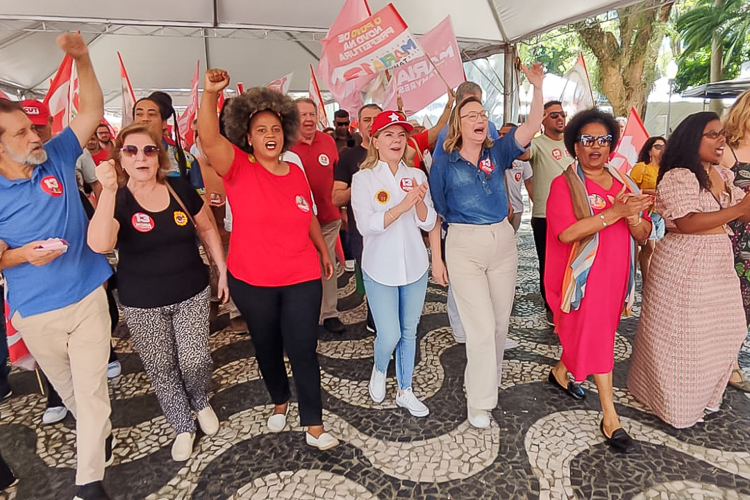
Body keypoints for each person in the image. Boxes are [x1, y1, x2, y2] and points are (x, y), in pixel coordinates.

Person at [198, 70, 339, 451]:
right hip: (253, 279)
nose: (270, 135)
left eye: (275, 128)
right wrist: (211, 93)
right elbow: (208, 137)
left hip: (301, 275)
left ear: (285, 131)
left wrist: (324, 251)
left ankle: (314, 423)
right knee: (266, 345)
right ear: (247, 136)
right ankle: (279, 398)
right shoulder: (238, 168)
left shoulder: (294, 171)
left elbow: (306, 212)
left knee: (303, 347)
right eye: (261, 130)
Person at [0, 33, 115, 500]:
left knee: (90, 394)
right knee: (70, 392)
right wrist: (23, 255)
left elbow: (90, 109)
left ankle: (88, 485)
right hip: (35, 311)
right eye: (21, 133)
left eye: (35, 128)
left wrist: (83, 58)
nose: (35, 136)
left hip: (88, 293)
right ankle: (97, 431)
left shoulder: (59, 155)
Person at [87, 122, 227, 461]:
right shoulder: (116, 198)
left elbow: (206, 226)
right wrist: (106, 191)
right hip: (142, 302)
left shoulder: (179, 187)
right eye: (131, 150)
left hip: (191, 291)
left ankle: (200, 399)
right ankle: (182, 424)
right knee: (162, 367)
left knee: (195, 360)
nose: (141, 157)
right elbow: (101, 243)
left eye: (149, 149)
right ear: (120, 158)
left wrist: (222, 269)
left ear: (159, 155)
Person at [428, 62, 545, 428]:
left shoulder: (497, 152)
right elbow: (437, 207)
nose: (479, 118)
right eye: (471, 114)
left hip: (503, 240)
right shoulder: (444, 161)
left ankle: (485, 382)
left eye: (483, 113)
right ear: (458, 124)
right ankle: (479, 402)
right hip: (463, 241)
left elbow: (531, 126)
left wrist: (537, 86)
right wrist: (438, 257)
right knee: (478, 329)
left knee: (498, 325)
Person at [628, 112, 750, 429]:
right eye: (712, 134)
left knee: (727, 329)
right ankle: (674, 404)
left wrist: (742, 207)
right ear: (692, 138)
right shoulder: (679, 175)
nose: (721, 139)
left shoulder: (723, 174)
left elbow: (743, 215)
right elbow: (686, 221)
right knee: (681, 338)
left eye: (722, 133)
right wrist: (736, 210)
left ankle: (703, 396)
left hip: (717, 262)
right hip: (684, 261)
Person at [546, 109, 652, 453]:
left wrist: (634, 217)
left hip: (616, 275)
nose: (595, 146)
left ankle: (562, 372)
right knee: (598, 338)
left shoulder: (626, 183)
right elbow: (566, 233)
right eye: (587, 140)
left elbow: (642, 234)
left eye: (603, 140)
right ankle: (611, 418)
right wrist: (614, 214)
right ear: (575, 146)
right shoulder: (565, 184)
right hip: (582, 277)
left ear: (612, 145)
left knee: (593, 333)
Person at [351, 111, 437, 416]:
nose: (396, 141)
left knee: (409, 330)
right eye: (388, 134)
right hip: (379, 267)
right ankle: (378, 367)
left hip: (414, 265)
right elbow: (366, 225)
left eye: (401, 135)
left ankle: (405, 389)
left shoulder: (416, 176)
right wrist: (402, 205)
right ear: (374, 141)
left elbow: (428, 224)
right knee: (389, 334)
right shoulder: (363, 179)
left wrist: (421, 202)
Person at [292, 98, 345, 334]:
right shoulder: (286, 145)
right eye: (303, 114)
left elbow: (337, 175)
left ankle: (329, 312)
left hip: (328, 217)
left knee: (328, 265)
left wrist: (341, 209)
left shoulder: (328, 141)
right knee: (303, 269)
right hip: (298, 222)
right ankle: (304, 313)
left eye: (312, 114)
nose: (309, 119)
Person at [518, 100, 572, 326]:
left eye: (562, 114)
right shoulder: (538, 145)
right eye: (553, 115)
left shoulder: (574, 145)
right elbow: (520, 153)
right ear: (543, 120)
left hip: (574, 216)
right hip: (544, 216)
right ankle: (551, 306)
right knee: (549, 263)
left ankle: (568, 303)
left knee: (571, 263)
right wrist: (532, 127)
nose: (560, 118)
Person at [333, 104, 382, 333]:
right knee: (372, 278)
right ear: (359, 125)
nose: (372, 124)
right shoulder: (348, 158)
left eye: (376, 119)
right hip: (362, 233)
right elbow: (336, 196)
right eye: (367, 120)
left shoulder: (396, 152)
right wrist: (360, 184)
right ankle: (375, 321)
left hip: (395, 230)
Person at [721, 89, 750, 393]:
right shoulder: (727, 150)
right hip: (733, 238)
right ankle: (730, 363)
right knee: (733, 301)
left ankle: (734, 355)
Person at [133, 92, 204, 192]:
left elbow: (200, 201)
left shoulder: (185, 159)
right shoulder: (122, 157)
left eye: (151, 114)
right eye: (139, 114)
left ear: (164, 123)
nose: (145, 119)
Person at [431, 81, 500, 163]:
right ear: (457, 102)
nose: (474, 107)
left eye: (477, 102)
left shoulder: (489, 127)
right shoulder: (445, 133)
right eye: (468, 103)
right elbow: (436, 164)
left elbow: (499, 159)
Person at [630, 136, 666, 284]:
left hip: (660, 214)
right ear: (649, 151)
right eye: (657, 147)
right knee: (648, 247)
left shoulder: (667, 170)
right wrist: (652, 192)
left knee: (652, 249)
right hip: (644, 212)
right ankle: (644, 282)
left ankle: (645, 281)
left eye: (664, 147)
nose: (662, 150)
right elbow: (631, 188)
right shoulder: (642, 167)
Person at [499, 123, 534, 233]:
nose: (500, 137)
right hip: (499, 209)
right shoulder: (494, 155)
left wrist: (536, 206)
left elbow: (529, 182)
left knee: (511, 240)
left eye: (504, 134)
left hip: (517, 208)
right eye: (499, 133)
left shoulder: (522, 158)